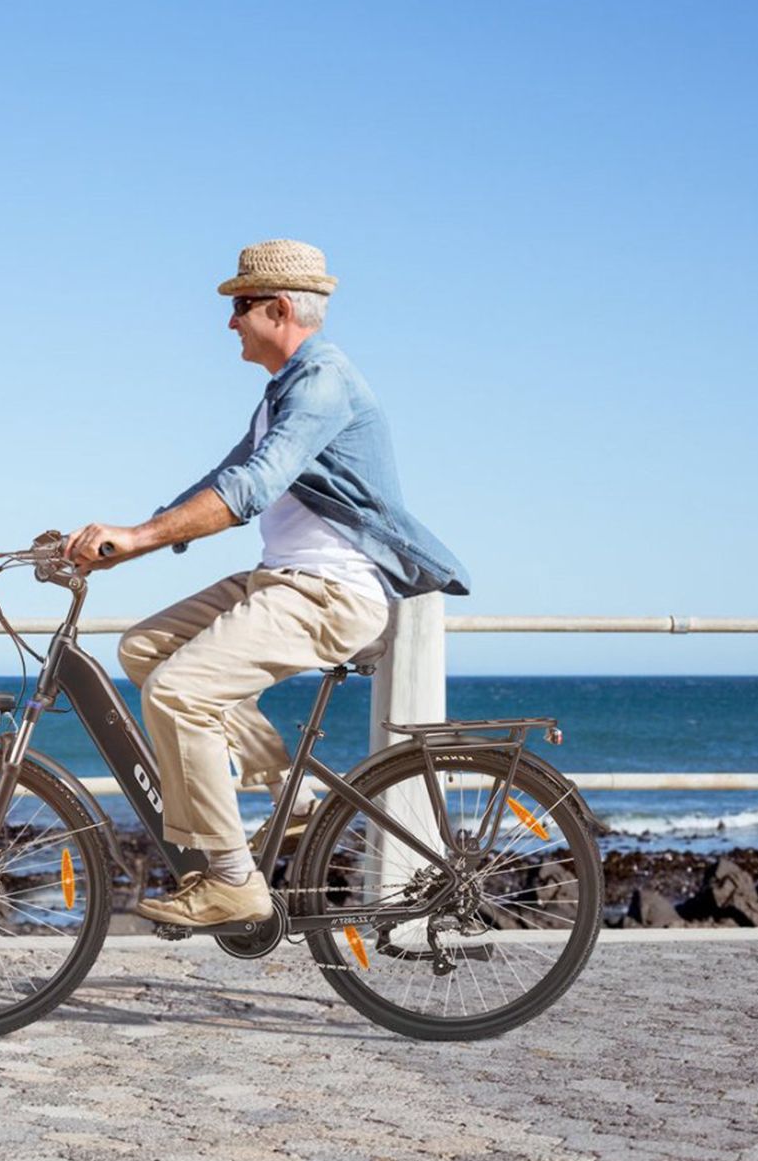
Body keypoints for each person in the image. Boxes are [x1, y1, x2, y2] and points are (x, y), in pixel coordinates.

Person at [63, 239, 469, 927]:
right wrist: (127, 540)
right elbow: (221, 479)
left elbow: (251, 488)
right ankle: (293, 796)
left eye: (240, 306)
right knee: (143, 649)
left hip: (329, 593)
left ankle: (231, 880)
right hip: (282, 580)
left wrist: (137, 538)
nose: (230, 322)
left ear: (279, 309)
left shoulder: (323, 383)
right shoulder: (284, 389)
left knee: (180, 694)